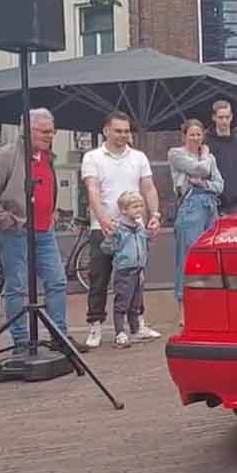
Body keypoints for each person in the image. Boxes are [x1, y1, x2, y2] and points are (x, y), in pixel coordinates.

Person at [0, 108, 83, 353]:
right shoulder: (5, 156)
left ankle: (59, 336)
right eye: (44, 131)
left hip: (45, 231)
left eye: (51, 131)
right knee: (18, 287)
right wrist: (6, 220)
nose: (49, 136)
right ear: (27, 131)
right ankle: (21, 342)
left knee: (56, 282)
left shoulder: (48, 156)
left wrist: (51, 213)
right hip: (16, 232)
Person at [81, 111, 161, 350]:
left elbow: (148, 188)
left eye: (126, 131)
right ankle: (95, 325)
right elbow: (92, 190)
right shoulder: (92, 157)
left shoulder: (139, 157)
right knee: (99, 277)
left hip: (134, 228)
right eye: (118, 130)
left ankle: (137, 323)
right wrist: (104, 219)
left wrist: (155, 215)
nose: (123, 135)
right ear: (106, 131)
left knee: (136, 277)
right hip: (105, 228)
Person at [168, 119, 222, 327]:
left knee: (211, 257)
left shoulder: (210, 158)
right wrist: (206, 157)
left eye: (199, 134)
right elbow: (199, 168)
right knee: (187, 258)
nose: (196, 138)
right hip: (190, 207)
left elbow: (219, 185)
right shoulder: (176, 154)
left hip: (210, 207)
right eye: (192, 134)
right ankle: (183, 310)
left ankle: (208, 305)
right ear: (184, 135)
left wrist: (205, 183)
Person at [100, 192, 149, 349]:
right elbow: (106, 249)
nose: (139, 209)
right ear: (124, 210)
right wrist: (110, 237)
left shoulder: (140, 228)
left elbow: (145, 245)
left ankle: (135, 330)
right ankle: (120, 332)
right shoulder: (118, 229)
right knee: (122, 303)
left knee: (136, 303)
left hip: (138, 270)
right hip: (124, 272)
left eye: (140, 206)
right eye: (134, 206)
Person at [206, 101, 237, 215]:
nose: (224, 121)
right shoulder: (206, 143)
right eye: (220, 117)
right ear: (214, 118)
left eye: (227, 117)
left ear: (231, 117)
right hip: (214, 202)